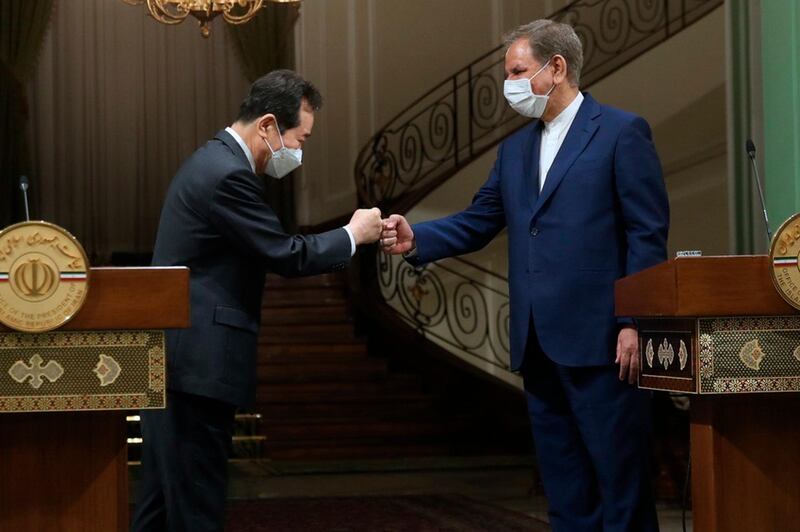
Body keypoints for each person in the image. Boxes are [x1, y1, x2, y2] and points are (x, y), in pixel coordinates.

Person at [380, 20, 669, 532]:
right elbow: (479, 220)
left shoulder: (622, 132)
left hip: (604, 345)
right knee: (566, 495)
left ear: (556, 68)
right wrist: (417, 237)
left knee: (622, 490)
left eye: (517, 71)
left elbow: (646, 234)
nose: (508, 84)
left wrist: (634, 321)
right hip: (538, 346)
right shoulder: (515, 150)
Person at [132, 69, 382, 532]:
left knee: (162, 506)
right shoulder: (227, 175)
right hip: (196, 368)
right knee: (195, 510)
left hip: (177, 362)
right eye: (300, 138)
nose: (300, 151)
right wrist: (354, 234)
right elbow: (286, 254)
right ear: (268, 124)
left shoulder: (212, 160)